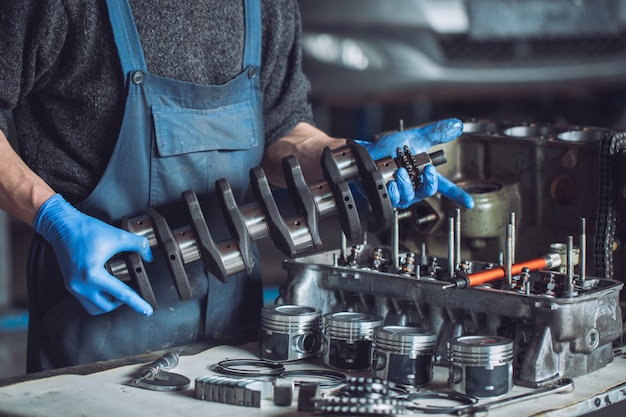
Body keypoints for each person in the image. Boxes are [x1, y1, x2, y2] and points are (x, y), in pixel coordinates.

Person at [0, 0, 474, 372]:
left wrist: (357, 158)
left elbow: (282, 133)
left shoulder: (263, 5)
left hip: (237, 338)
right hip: (96, 329)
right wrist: (51, 216)